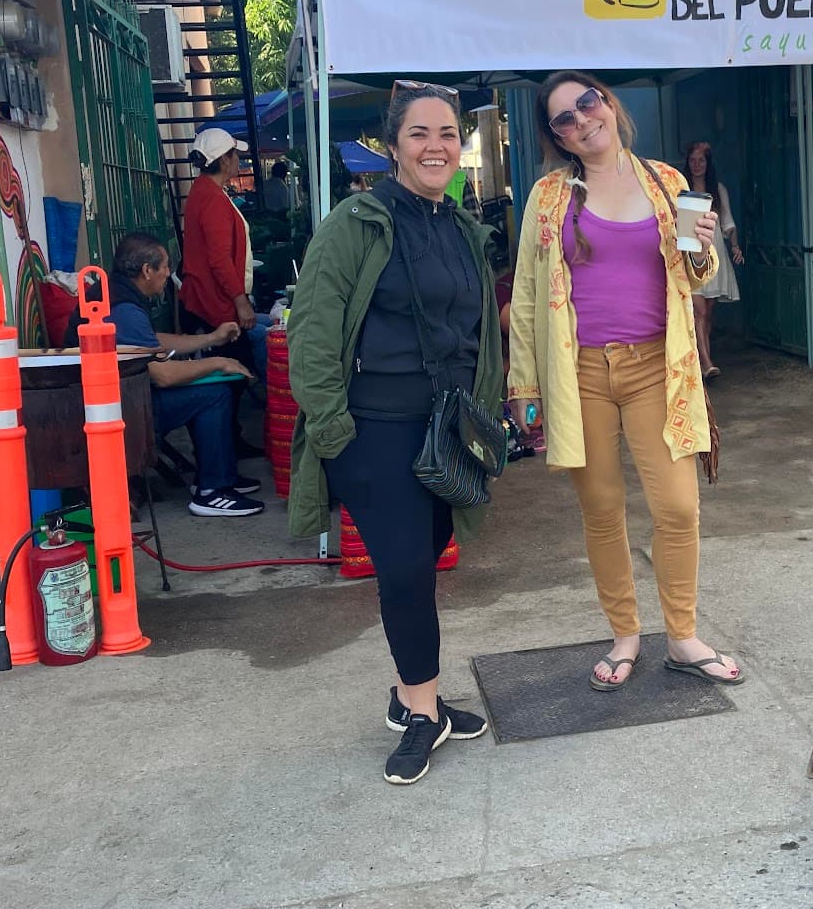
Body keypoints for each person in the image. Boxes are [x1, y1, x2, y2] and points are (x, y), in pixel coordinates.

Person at [287, 80, 503, 786]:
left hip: (445, 429)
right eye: (420, 133)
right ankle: (422, 713)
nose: (437, 146)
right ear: (392, 145)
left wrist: (490, 412)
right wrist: (333, 431)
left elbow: (478, 334)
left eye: (448, 134)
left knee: (431, 550)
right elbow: (312, 334)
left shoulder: (463, 228)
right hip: (373, 428)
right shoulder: (357, 222)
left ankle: (417, 695)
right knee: (407, 568)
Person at [508, 71, 744, 692]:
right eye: (564, 118)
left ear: (609, 104)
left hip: (655, 369)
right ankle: (625, 634)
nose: (582, 119)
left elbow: (696, 275)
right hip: (579, 372)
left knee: (678, 506)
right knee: (603, 508)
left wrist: (703, 245)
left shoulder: (667, 183)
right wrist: (523, 387)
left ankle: (683, 636)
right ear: (557, 137)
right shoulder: (550, 196)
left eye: (589, 102)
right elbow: (529, 295)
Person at [66, 233, 264, 517]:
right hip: (119, 412)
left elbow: (151, 340)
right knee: (214, 394)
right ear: (147, 271)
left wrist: (211, 339)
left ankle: (219, 477)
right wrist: (220, 363)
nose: (169, 273)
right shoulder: (123, 309)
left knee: (206, 385)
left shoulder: (116, 292)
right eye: (165, 266)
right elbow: (163, 375)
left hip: (113, 402)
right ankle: (213, 491)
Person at [178, 127, 261, 450]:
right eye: (235, 155)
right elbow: (218, 260)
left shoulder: (205, 191)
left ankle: (230, 440)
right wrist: (241, 302)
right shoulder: (210, 198)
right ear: (224, 159)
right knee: (233, 374)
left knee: (233, 375)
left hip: (210, 299)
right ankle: (227, 445)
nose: (238, 159)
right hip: (214, 304)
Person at [682, 141, 743, 380]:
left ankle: (700, 362)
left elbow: (727, 222)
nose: (697, 165)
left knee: (708, 311)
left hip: (715, 253)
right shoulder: (681, 187)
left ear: (708, 164)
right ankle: (706, 362)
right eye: (693, 160)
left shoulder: (718, 190)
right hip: (691, 254)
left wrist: (735, 245)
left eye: (701, 161)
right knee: (698, 311)